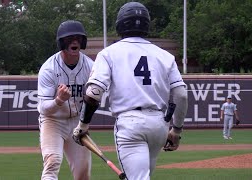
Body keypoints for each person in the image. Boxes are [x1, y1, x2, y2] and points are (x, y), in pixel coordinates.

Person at [72, 2, 188, 179]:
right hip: (159, 125)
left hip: (130, 124)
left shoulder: (109, 53)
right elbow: (181, 95)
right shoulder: (165, 55)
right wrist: (177, 130)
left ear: (120, 24)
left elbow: (94, 92)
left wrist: (83, 125)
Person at [37, 20, 93, 180]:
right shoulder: (49, 68)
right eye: (69, 38)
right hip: (53, 122)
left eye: (78, 38)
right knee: (52, 161)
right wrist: (59, 100)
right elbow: (43, 109)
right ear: (62, 42)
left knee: (83, 174)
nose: (74, 41)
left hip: (77, 122)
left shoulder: (90, 66)